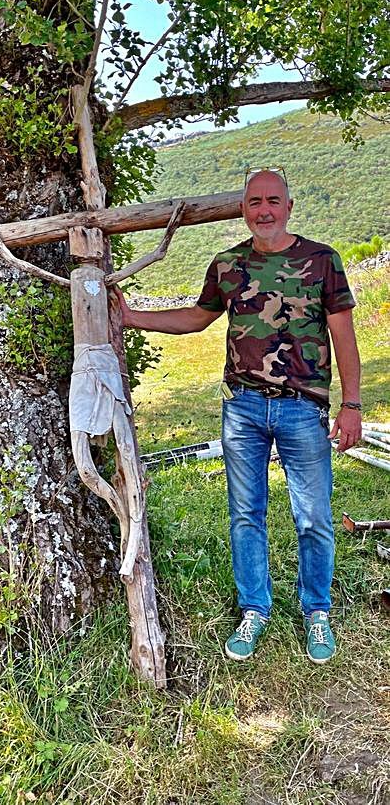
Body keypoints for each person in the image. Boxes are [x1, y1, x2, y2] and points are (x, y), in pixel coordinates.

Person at [115, 167, 362, 664]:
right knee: (245, 516)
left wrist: (351, 405)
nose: (264, 210)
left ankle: (317, 611)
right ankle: (255, 609)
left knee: (313, 517)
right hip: (243, 408)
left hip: (303, 408)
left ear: (289, 206)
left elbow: (344, 336)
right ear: (243, 209)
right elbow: (196, 318)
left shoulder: (322, 261)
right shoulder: (228, 265)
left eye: (273, 200)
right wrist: (132, 317)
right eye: (254, 202)